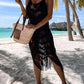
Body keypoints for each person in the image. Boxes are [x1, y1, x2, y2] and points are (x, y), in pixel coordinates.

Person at [15, 0, 67, 84]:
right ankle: (38, 82)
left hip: (44, 32)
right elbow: (26, 15)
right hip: (31, 33)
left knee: (53, 57)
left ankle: (64, 82)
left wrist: (36, 26)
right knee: (35, 58)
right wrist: (20, 4)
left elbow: (49, 16)